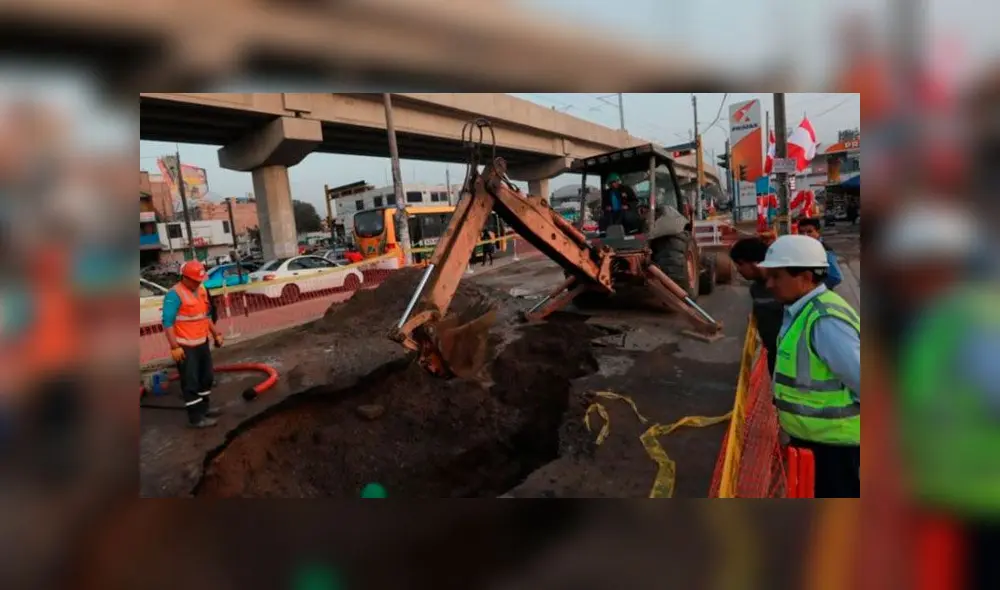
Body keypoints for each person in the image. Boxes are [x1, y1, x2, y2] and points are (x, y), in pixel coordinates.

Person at [758, 235, 860, 498]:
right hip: (816, 442)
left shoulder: (825, 320)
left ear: (804, 276)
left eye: (776, 276)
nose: (769, 284)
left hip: (836, 447)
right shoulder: (801, 310)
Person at [162, 260, 224, 428]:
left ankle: (204, 408)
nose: (198, 283)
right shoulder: (174, 294)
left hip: (202, 342)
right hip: (185, 346)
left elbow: (204, 316)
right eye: (196, 280)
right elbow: (167, 322)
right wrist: (175, 347)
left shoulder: (202, 290)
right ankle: (196, 418)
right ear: (185, 278)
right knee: (191, 382)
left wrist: (215, 334)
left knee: (207, 377)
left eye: (200, 280)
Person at [729, 237, 784, 376]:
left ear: (753, 263)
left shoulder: (785, 286)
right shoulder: (755, 289)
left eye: (739, 265)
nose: (738, 271)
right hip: (772, 355)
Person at [797, 218, 844, 290]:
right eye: (801, 232)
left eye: (809, 231)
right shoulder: (804, 247)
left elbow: (835, 277)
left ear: (818, 232)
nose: (805, 235)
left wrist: (814, 286)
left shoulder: (825, 251)